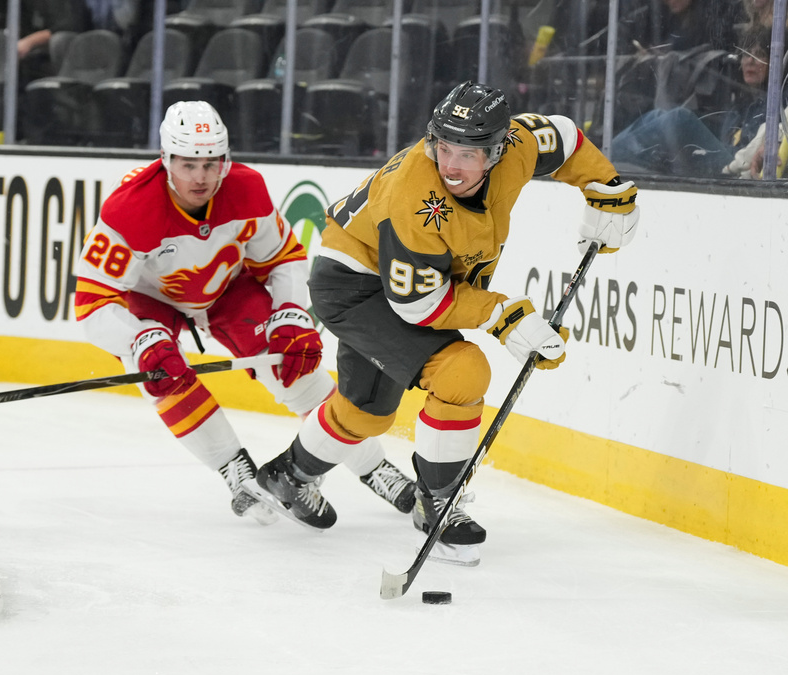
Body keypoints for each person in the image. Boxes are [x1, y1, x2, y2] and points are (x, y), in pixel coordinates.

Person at [250, 81, 639, 565]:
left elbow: (563, 137)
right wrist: (503, 316)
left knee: (368, 410)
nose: (451, 165)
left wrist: (606, 188)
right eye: (443, 147)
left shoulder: (517, 144)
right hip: (353, 285)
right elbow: (418, 305)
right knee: (462, 372)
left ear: (498, 150)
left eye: (468, 153)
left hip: (399, 276)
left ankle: (288, 474)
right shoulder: (415, 198)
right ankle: (439, 504)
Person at [74, 101, 416, 525]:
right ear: (165, 161)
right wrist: (138, 341)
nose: (200, 177)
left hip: (228, 290)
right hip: (152, 301)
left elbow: (282, 257)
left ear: (226, 159)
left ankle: (374, 466)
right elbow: (92, 305)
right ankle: (235, 469)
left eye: (211, 163)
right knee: (161, 374)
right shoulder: (129, 210)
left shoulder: (247, 188)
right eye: (187, 164)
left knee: (295, 364)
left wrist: (290, 310)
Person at [610, 25, 783, 177]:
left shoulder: (776, 104)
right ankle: (609, 153)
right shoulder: (741, 104)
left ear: (774, 63)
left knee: (679, 118)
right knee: (659, 114)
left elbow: (746, 152)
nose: (750, 61)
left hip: (735, 167)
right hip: (722, 158)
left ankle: (609, 156)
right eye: (745, 55)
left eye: (759, 55)